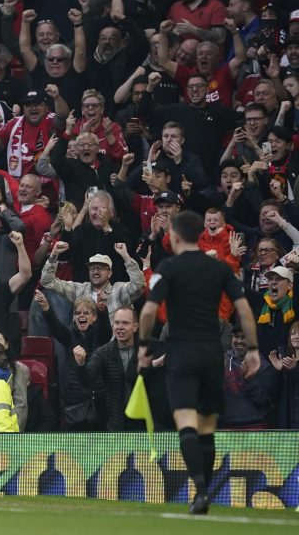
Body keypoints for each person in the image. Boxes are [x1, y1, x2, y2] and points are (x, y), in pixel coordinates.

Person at [138, 210, 260, 515]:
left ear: (176, 236)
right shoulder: (218, 269)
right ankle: (203, 494)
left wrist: (143, 346)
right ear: (198, 235)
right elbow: (243, 309)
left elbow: (149, 311)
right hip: (211, 354)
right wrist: (254, 348)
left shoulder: (168, 266)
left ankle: (201, 491)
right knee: (207, 428)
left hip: (181, 352)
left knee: (186, 424)